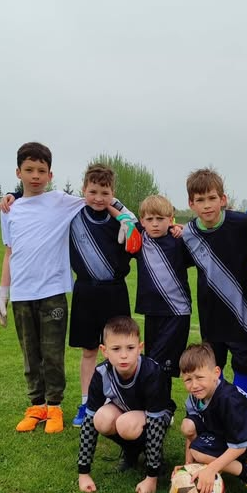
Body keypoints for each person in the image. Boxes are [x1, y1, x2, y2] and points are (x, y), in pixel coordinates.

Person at [0, 142, 86, 433]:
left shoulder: (60, 201)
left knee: (52, 354)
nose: (35, 175)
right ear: (18, 172)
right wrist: (3, 293)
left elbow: (98, 197)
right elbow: (9, 252)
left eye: (41, 170)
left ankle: (55, 407)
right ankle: (36, 406)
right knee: (30, 354)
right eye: (29, 170)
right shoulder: (9, 209)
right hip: (22, 294)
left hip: (52, 292)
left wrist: (123, 216)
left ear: (50, 174)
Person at [69, 165, 140, 428]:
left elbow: (138, 234)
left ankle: (122, 400)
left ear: (113, 192)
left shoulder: (122, 219)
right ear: (83, 190)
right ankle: (87, 402)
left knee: (120, 349)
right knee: (89, 350)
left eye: (105, 193)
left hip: (115, 292)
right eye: (93, 192)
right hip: (86, 291)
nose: (98, 198)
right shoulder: (73, 214)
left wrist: (124, 217)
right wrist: (15, 195)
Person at [77, 316, 175, 493]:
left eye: (130, 348)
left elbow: (156, 422)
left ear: (140, 348)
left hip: (157, 416)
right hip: (126, 410)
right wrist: (83, 474)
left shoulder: (152, 372)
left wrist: (151, 477)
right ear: (104, 351)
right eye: (116, 349)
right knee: (101, 418)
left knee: (126, 424)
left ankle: (154, 460)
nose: (123, 355)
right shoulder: (101, 373)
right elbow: (88, 422)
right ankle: (131, 452)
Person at [181, 168, 247, 394]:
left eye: (212, 198)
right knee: (214, 366)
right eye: (200, 200)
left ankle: (240, 407)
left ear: (223, 199)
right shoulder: (188, 233)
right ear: (191, 203)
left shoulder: (242, 224)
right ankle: (217, 407)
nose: (207, 205)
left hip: (242, 312)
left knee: (242, 365)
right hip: (210, 313)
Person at [177, 342, 247, 493]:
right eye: (188, 379)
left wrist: (211, 469)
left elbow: (240, 446)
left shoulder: (230, 400)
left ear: (216, 373)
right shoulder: (195, 397)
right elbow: (191, 431)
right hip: (223, 431)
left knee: (198, 452)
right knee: (187, 425)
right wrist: (188, 466)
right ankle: (214, 461)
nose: (194, 385)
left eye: (199, 377)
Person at [133, 195, 193, 393]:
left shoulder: (179, 242)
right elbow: (123, 216)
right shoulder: (140, 239)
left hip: (177, 312)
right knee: (152, 359)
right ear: (142, 221)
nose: (155, 224)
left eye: (160, 219)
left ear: (170, 219)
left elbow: (200, 236)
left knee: (162, 362)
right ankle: (159, 402)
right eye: (149, 219)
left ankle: (160, 403)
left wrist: (183, 230)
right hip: (152, 311)